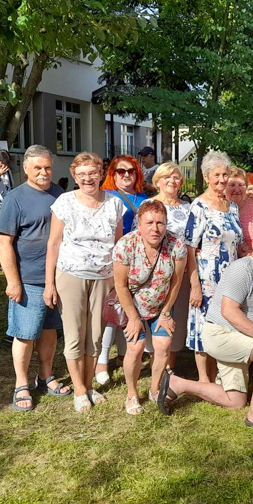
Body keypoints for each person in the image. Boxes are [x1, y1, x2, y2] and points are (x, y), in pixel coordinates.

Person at [157, 228, 253, 433]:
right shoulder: (243, 269)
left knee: (235, 401)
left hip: (238, 339)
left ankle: (178, 384)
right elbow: (229, 311)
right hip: (221, 334)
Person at [43, 152, 125, 412]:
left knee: (97, 336)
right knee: (75, 335)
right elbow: (53, 244)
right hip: (71, 275)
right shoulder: (64, 202)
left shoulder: (115, 204)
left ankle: (89, 385)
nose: (88, 178)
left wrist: (118, 281)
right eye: (82, 174)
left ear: (101, 173)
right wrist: (49, 283)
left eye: (93, 173)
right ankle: (79, 390)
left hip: (104, 277)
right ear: (75, 175)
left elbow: (118, 246)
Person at [0, 145, 72, 412]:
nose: (43, 172)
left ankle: (45, 377)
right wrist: (13, 281)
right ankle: (21, 384)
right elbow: (5, 243)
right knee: (25, 334)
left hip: (57, 278)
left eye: (47, 167)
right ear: (26, 168)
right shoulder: (15, 198)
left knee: (50, 331)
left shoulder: (60, 195)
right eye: (37, 167)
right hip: (28, 279)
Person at [113, 200, 187, 415]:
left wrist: (165, 312)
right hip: (132, 305)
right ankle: (132, 393)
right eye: (149, 223)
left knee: (163, 345)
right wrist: (134, 318)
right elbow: (120, 285)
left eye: (160, 223)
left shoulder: (176, 244)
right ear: (139, 224)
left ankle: (155, 389)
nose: (155, 228)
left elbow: (176, 282)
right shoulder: (126, 245)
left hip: (161, 303)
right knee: (135, 348)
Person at [184, 151, 244, 382]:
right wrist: (195, 285)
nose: (222, 179)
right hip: (207, 278)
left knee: (226, 326)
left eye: (225, 174)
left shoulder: (233, 207)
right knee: (203, 326)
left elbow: (237, 243)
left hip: (231, 279)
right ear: (206, 177)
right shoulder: (199, 206)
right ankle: (203, 380)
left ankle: (222, 375)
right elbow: (189, 248)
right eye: (216, 175)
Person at [97, 154, 149, 374]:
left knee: (130, 307)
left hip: (137, 260)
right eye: (121, 171)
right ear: (113, 174)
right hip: (113, 259)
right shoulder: (106, 196)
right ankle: (101, 360)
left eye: (131, 171)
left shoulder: (143, 197)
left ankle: (123, 353)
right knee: (113, 307)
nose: (126, 175)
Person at [144, 162, 193, 372]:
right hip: (156, 271)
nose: (172, 181)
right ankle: (156, 361)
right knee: (156, 315)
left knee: (177, 316)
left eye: (176, 177)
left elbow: (191, 241)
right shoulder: (148, 204)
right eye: (167, 177)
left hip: (181, 270)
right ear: (157, 182)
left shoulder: (187, 207)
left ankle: (169, 365)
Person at [226, 166, 253, 255]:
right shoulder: (215, 210)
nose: (237, 189)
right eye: (232, 185)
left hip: (252, 262)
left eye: (241, 185)